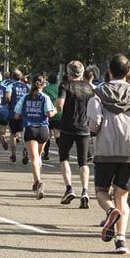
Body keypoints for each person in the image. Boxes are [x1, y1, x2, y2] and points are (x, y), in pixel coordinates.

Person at [88, 54, 130, 255]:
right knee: (122, 196)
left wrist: (95, 132)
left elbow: (95, 122)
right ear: (129, 72)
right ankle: (121, 241)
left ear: (109, 71)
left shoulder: (98, 94)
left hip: (106, 150)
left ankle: (110, 211)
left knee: (101, 190)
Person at [56, 61, 95, 207]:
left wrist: (58, 110)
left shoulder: (65, 86)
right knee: (83, 161)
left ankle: (69, 188)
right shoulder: (89, 87)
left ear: (68, 71)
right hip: (84, 128)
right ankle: (85, 190)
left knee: (64, 157)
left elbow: (60, 104)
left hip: (67, 126)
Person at [15, 74, 56, 198]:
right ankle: (36, 181)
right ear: (43, 85)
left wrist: (26, 114)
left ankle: (38, 181)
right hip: (43, 129)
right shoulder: (45, 97)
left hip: (30, 129)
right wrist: (55, 111)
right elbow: (49, 113)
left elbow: (16, 115)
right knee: (38, 157)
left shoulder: (25, 98)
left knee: (34, 158)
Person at [5, 71, 31, 164]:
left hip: (13, 112)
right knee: (25, 134)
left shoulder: (11, 86)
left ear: (12, 77)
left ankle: (13, 155)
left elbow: (8, 97)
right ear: (21, 77)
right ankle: (26, 152)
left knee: (13, 134)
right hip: (25, 113)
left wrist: (9, 103)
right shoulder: (27, 87)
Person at [43, 72, 61, 161]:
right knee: (57, 134)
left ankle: (46, 154)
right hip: (59, 113)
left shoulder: (45, 89)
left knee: (48, 135)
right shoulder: (60, 88)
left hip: (49, 113)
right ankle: (62, 152)